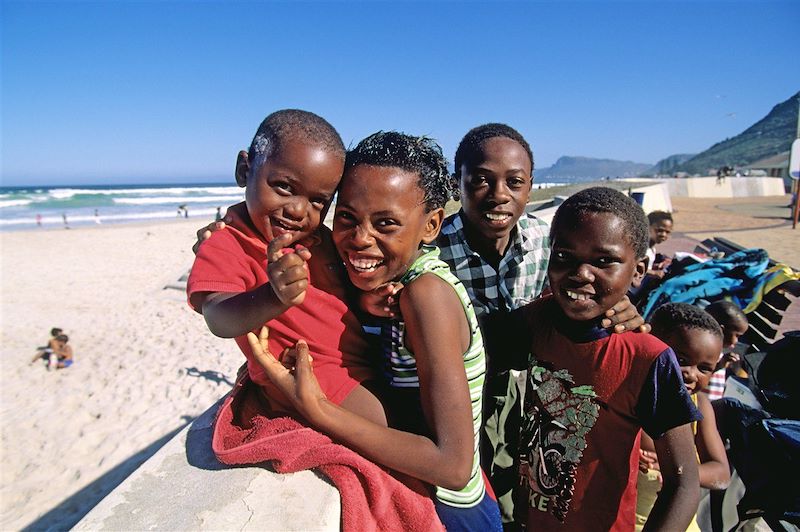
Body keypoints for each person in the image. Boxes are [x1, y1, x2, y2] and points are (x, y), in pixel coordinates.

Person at [362, 123, 646, 529]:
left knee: (522, 489)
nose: (498, 194)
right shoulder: (427, 249)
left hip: (528, 395)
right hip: (455, 400)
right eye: (479, 180)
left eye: (514, 182)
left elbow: (586, 286)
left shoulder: (549, 245)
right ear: (455, 184)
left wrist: (621, 307)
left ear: (530, 188)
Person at [249, 131, 503, 530]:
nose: (360, 239)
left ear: (432, 224)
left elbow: (452, 466)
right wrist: (229, 225)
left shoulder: (427, 296)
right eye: (347, 217)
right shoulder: (383, 283)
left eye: (386, 223)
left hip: (449, 511)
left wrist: (319, 409)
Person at [514, 187, 701, 530]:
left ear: (638, 269)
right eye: (564, 256)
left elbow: (684, 482)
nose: (581, 273)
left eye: (603, 261)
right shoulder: (536, 322)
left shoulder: (647, 358)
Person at [186, 109, 385, 426]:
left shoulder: (319, 239)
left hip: (362, 358)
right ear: (244, 170)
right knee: (391, 426)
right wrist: (273, 296)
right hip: (308, 372)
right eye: (284, 186)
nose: (297, 210)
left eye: (318, 201)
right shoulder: (227, 243)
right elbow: (217, 316)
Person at [636, 302, 731, 530]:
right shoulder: (627, 401)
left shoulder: (700, 408)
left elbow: (721, 473)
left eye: (705, 368)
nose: (691, 374)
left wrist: (677, 469)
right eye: (680, 360)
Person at [703, 300, 749, 400]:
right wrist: (721, 364)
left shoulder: (718, 352)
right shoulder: (705, 352)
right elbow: (701, 375)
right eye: (737, 335)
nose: (737, 341)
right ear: (721, 330)